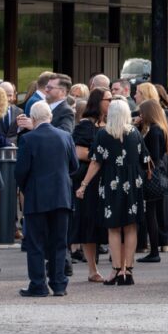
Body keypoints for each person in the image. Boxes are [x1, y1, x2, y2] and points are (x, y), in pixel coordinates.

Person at [76, 99, 149, 286]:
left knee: (114, 229)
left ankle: (116, 270)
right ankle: (128, 270)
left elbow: (95, 161)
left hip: (111, 184)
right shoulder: (135, 134)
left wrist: (84, 185)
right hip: (133, 185)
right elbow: (145, 159)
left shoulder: (103, 134)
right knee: (131, 228)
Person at [15, 101, 78, 296]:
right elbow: (74, 166)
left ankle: (38, 285)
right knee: (59, 243)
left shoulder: (28, 139)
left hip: (37, 197)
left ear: (33, 119)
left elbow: (20, 172)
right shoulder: (66, 136)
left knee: (35, 244)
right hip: (61, 196)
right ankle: (59, 284)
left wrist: (27, 189)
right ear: (50, 117)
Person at [71, 87, 111, 282]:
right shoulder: (85, 126)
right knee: (89, 223)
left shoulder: (110, 123)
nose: (111, 103)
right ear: (98, 102)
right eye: (108, 99)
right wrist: (104, 157)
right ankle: (92, 269)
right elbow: (79, 153)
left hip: (107, 179)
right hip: (89, 180)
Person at [136, 100, 168, 264]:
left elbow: (153, 157)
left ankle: (154, 250)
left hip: (152, 176)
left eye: (142, 113)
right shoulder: (161, 128)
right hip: (160, 174)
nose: (140, 116)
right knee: (152, 214)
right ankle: (155, 249)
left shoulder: (154, 131)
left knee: (151, 215)